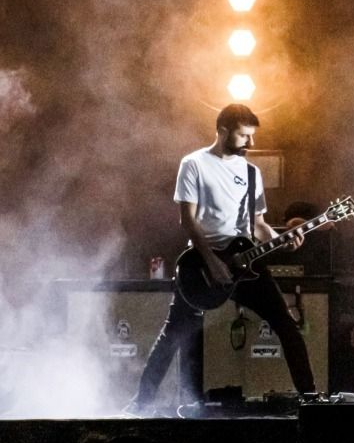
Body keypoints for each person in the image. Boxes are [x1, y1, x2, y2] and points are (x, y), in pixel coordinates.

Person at [124, 104, 314, 415]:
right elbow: (188, 220)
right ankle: (139, 404)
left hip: (245, 265)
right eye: (244, 136)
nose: (250, 143)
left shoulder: (251, 172)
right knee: (173, 333)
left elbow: (258, 223)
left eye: (252, 136)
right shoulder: (194, 164)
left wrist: (283, 241)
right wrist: (211, 260)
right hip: (201, 266)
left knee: (286, 325)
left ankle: (310, 400)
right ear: (223, 130)